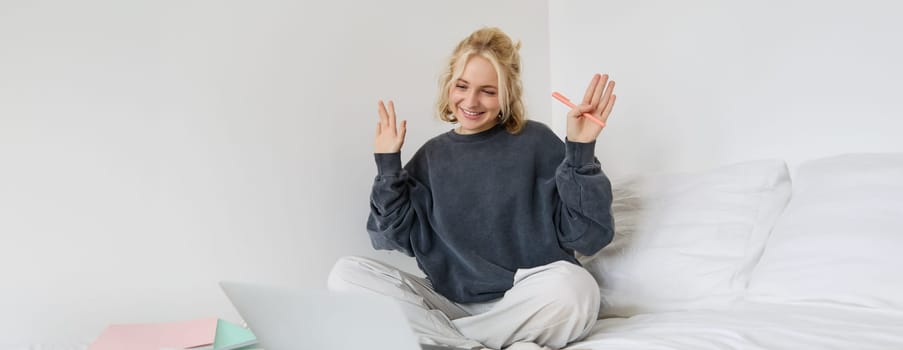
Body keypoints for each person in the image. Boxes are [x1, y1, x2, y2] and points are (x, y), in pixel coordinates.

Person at [327, 27, 617, 350]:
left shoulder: (537, 142)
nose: (471, 101)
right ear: (449, 85)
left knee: (578, 290)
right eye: (462, 86)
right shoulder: (431, 157)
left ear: (507, 94)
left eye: (488, 91)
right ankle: (473, 343)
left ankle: (451, 342)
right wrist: (388, 167)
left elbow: (590, 235)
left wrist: (580, 149)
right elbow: (386, 237)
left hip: (525, 300)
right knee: (345, 276)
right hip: (450, 306)